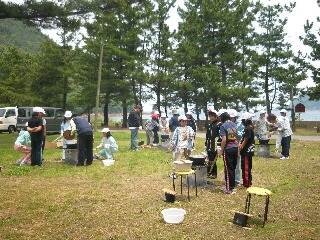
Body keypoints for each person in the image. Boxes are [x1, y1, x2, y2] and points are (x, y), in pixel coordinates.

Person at [218, 112, 238, 195]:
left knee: (228, 169)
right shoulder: (234, 124)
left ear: (222, 118)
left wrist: (221, 151)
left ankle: (228, 189)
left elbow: (224, 139)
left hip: (228, 149)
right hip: (235, 147)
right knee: (232, 168)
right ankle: (232, 187)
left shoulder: (223, 126)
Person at [238, 112, 255, 188]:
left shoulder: (248, 128)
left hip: (246, 151)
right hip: (247, 151)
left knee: (246, 167)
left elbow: (246, 139)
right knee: (246, 167)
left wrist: (241, 146)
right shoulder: (249, 128)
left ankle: (247, 183)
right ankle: (248, 182)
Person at [205, 108, 220, 179]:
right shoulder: (210, 125)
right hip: (209, 144)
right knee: (209, 159)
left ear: (215, 116)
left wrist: (219, 145)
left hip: (215, 144)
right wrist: (206, 144)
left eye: (212, 116)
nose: (211, 117)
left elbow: (220, 136)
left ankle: (214, 173)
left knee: (213, 159)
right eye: (210, 116)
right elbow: (207, 135)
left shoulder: (219, 124)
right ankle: (209, 172)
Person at [228, 109, 241, 185]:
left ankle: (236, 179)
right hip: (229, 146)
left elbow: (240, 135)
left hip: (237, 145)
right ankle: (228, 179)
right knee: (228, 163)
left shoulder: (239, 124)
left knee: (237, 163)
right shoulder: (228, 123)